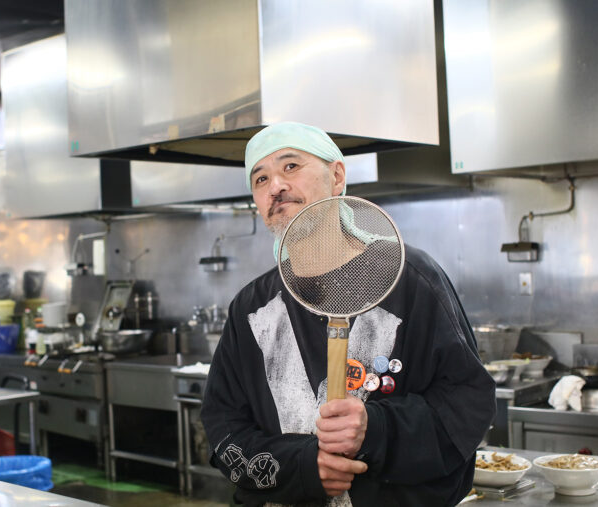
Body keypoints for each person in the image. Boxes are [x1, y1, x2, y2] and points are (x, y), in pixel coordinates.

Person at [200, 122, 496, 506]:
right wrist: (304, 466)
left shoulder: (410, 280)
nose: (275, 186)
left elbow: (467, 401)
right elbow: (224, 426)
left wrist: (375, 429)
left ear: (336, 176)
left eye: (290, 167)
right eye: (260, 178)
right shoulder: (251, 308)